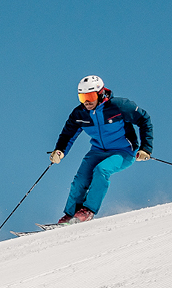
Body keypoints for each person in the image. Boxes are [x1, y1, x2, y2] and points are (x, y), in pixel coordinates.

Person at [50, 75, 154, 224]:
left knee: (101, 170)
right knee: (80, 179)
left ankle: (88, 211)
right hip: (97, 151)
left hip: (123, 151)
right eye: (82, 97)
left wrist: (146, 148)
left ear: (100, 93)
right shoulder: (79, 114)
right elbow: (68, 134)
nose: (86, 102)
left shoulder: (119, 106)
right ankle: (70, 214)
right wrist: (59, 151)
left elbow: (144, 120)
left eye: (90, 96)